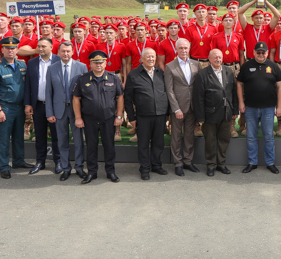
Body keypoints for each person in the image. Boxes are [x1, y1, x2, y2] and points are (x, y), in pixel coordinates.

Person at [73, 51, 124, 183]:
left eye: (101, 62)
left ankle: (110, 172)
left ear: (105, 63)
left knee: (109, 146)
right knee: (91, 146)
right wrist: (78, 118)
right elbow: (76, 98)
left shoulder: (113, 78)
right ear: (90, 64)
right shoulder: (82, 79)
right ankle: (92, 172)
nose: (98, 65)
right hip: (89, 119)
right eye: (95, 62)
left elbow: (120, 97)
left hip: (108, 119)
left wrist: (119, 116)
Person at [236, 41, 281, 174]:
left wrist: (279, 106)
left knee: (268, 136)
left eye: (263, 52)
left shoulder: (273, 66)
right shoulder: (246, 66)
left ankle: (270, 163)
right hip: (250, 107)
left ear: (267, 53)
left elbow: (280, 87)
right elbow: (239, 84)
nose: (261, 55)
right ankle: (252, 162)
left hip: (268, 108)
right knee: (251, 136)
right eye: (258, 52)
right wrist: (241, 102)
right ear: (254, 53)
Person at [44, 41, 88, 180]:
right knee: (62, 141)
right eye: (63, 51)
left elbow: (86, 92)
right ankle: (65, 168)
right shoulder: (52, 68)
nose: (66, 54)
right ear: (58, 52)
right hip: (59, 110)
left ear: (72, 52)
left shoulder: (82, 67)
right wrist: (49, 112)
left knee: (78, 141)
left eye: (68, 51)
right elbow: (48, 92)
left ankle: (79, 167)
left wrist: (84, 112)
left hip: (76, 111)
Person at [124, 47, 170, 179]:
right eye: (148, 57)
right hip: (143, 116)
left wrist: (166, 113)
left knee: (158, 142)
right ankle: (144, 168)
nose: (151, 59)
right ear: (141, 59)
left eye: (153, 56)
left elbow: (165, 93)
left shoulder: (160, 72)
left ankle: (156, 165)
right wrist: (131, 117)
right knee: (143, 143)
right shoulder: (134, 74)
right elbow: (128, 98)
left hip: (160, 115)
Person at [0, 36, 29, 179]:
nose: (10, 50)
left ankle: (19, 161)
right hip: (5, 107)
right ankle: (4, 166)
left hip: (19, 107)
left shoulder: (22, 65)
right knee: (4, 138)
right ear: (2, 49)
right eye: (7, 48)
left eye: (13, 48)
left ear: (17, 49)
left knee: (19, 136)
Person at [193, 49, 239, 176]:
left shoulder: (228, 71)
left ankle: (221, 164)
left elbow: (233, 93)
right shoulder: (203, 74)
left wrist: (235, 110)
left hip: (226, 113)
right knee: (210, 141)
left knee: (224, 140)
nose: (218, 59)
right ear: (209, 59)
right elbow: (198, 97)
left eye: (220, 57)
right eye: (215, 57)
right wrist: (200, 116)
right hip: (210, 114)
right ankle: (211, 165)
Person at [24, 38, 61, 174]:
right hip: (38, 105)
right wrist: (28, 103)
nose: (40, 49)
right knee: (40, 135)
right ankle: (40, 161)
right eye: (39, 46)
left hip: (55, 106)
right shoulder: (32, 62)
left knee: (56, 135)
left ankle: (58, 161)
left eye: (44, 46)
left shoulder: (59, 60)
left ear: (51, 47)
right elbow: (28, 84)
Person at [165, 38, 200, 173]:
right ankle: (177, 163)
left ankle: (187, 161)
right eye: (181, 48)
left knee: (189, 135)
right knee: (176, 136)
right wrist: (176, 108)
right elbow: (169, 89)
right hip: (178, 107)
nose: (183, 50)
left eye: (185, 48)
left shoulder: (196, 64)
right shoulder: (170, 66)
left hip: (192, 107)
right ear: (176, 49)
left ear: (189, 49)